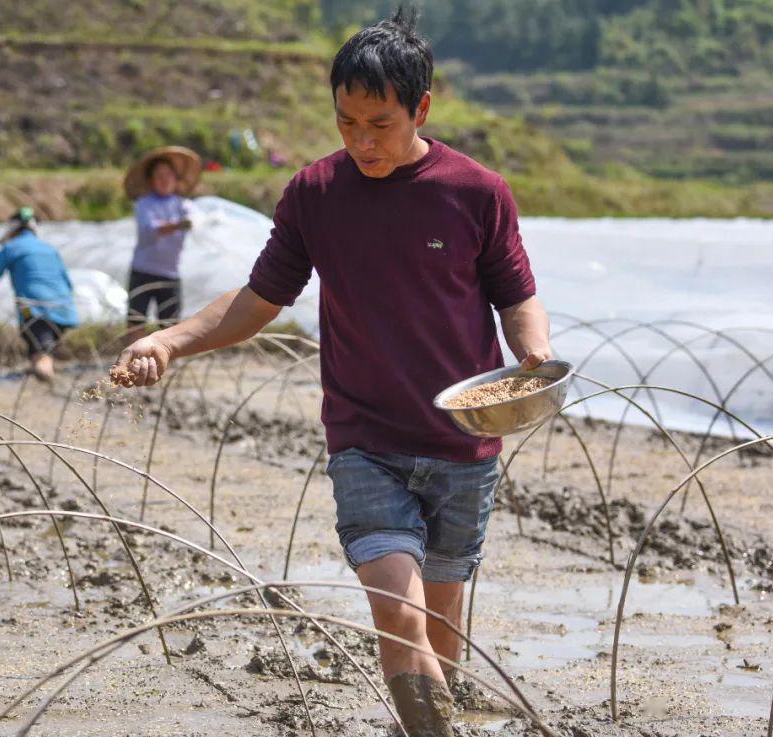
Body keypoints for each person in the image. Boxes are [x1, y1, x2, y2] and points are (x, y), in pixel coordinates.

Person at [111, 8, 551, 736]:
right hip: (365, 442)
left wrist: (533, 355)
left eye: (380, 124)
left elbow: (517, 297)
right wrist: (169, 341)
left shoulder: (477, 192)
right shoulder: (316, 194)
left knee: (443, 623)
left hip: (463, 443)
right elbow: (257, 301)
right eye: (347, 122)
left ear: (421, 110)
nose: (361, 141)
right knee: (399, 613)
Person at [0, 208, 79, 382]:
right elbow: (67, 281)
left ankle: (49, 383)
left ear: (13, 228)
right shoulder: (49, 249)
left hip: (36, 309)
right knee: (41, 348)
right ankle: (40, 382)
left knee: (41, 353)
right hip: (64, 309)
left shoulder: (11, 248)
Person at [122, 146, 201, 342]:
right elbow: (151, 229)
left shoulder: (183, 205)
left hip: (170, 274)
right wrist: (179, 224)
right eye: (159, 176)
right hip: (143, 271)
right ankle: (133, 358)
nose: (164, 180)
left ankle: (163, 359)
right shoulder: (144, 204)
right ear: (151, 180)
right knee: (136, 322)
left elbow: (196, 221)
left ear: (175, 179)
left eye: (168, 175)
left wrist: (189, 222)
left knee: (169, 327)